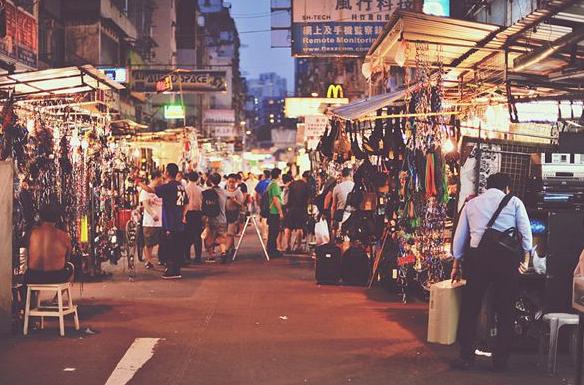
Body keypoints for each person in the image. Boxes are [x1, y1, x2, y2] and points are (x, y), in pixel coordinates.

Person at [451, 173, 533, 371]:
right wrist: (525, 260)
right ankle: (501, 359)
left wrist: (456, 264)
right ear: (507, 188)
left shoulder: (472, 204)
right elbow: (526, 233)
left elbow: (459, 237)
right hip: (506, 261)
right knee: (505, 309)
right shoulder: (514, 202)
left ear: (487, 187)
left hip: (477, 260)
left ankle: (466, 355)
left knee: (471, 307)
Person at [139, 163, 188, 279]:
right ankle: (176, 269)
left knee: (169, 246)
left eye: (165, 171)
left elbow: (149, 189)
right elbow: (186, 202)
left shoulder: (168, 186)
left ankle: (172, 271)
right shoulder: (180, 186)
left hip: (170, 221)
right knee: (177, 246)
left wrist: (138, 182)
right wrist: (183, 215)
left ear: (167, 173)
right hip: (178, 221)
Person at [25, 204, 74, 285]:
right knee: (71, 268)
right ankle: (57, 297)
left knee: (25, 276)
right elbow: (67, 259)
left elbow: (27, 252)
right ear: (57, 219)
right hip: (56, 277)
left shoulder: (31, 233)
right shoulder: (64, 236)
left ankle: (31, 297)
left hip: (34, 276)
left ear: (40, 217)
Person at [204, 173, 230, 263]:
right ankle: (223, 253)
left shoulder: (207, 192)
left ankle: (211, 256)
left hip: (211, 218)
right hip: (222, 218)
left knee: (209, 237)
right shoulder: (224, 192)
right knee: (222, 236)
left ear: (211, 181)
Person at [140, 170, 163, 269]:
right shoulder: (145, 191)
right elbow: (145, 205)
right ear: (157, 177)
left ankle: (161, 259)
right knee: (149, 243)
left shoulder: (160, 190)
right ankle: (148, 261)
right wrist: (153, 214)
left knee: (159, 242)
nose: (162, 179)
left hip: (161, 220)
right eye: (161, 177)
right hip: (149, 221)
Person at [284, 171, 311, 253]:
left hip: (291, 208)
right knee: (299, 228)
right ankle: (298, 247)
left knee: (288, 227)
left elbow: (287, 196)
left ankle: (287, 246)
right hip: (301, 209)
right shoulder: (306, 186)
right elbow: (308, 199)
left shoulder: (292, 184)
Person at [184, 172, 204, 264]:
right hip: (198, 213)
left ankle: (187, 256)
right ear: (197, 179)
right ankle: (198, 257)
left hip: (187, 213)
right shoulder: (200, 190)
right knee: (197, 236)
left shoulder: (185, 189)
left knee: (187, 235)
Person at [266, 168, 284, 258]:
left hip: (271, 211)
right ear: (278, 175)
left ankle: (271, 249)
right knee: (274, 231)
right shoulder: (274, 185)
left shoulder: (270, 184)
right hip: (274, 211)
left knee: (272, 231)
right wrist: (280, 211)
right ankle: (272, 250)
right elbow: (275, 199)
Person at [331, 168, 354, 237]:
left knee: (341, 239)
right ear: (350, 175)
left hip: (342, 216)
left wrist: (332, 219)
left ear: (342, 175)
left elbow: (334, 206)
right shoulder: (355, 187)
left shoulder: (337, 188)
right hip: (354, 216)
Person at [225, 173, 244, 254]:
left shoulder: (238, 192)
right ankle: (231, 247)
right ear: (227, 182)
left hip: (234, 214)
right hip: (225, 214)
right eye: (230, 181)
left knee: (230, 232)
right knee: (227, 233)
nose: (231, 183)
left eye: (233, 182)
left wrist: (234, 201)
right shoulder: (224, 191)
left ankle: (226, 251)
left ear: (236, 182)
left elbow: (241, 205)